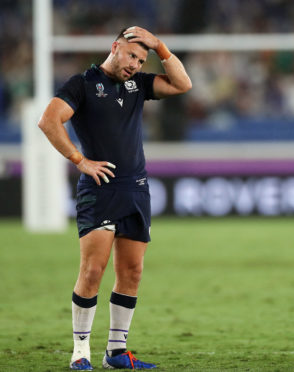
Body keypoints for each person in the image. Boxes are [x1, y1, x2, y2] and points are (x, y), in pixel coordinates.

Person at [38, 26, 192, 370]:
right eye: (132, 55)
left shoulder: (137, 86)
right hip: (101, 189)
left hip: (135, 189)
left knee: (132, 272)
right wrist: (80, 161)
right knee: (93, 270)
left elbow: (183, 84)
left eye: (142, 59)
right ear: (115, 48)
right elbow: (49, 121)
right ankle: (80, 352)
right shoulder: (82, 85)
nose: (136, 64)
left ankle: (117, 352)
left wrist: (160, 47)